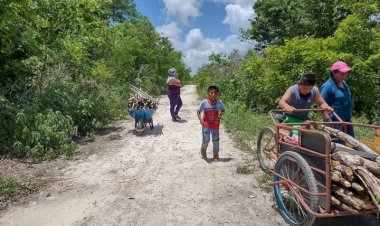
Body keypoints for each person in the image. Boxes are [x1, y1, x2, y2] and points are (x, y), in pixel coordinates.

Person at [320, 61, 354, 137]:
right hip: (334, 122)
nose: (344, 76)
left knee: (352, 142)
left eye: (345, 73)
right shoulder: (327, 86)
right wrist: (328, 121)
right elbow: (321, 104)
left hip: (347, 121)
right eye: (341, 73)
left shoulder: (344, 83)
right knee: (338, 145)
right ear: (333, 72)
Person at [197, 86, 225, 161]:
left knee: (216, 140)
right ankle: (203, 150)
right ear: (208, 94)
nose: (213, 94)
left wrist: (220, 115)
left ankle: (215, 154)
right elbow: (199, 111)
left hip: (215, 124)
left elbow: (223, 110)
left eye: (215, 93)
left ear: (217, 94)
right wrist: (200, 120)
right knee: (206, 139)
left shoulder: (219, 102)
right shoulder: (204, 102)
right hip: (206, 124)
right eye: (211, 93)